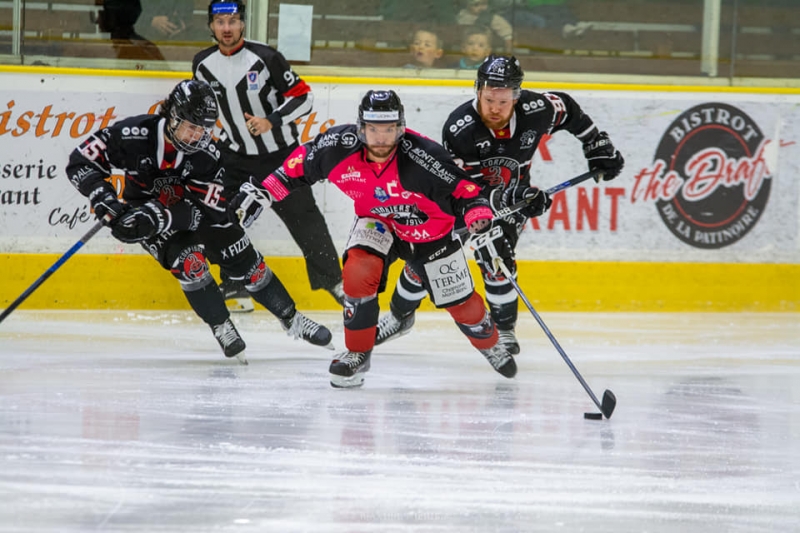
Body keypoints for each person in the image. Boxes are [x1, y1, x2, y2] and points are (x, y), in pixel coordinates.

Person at [227, 90, 522, 388]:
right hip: (378, 220)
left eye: (389, 129)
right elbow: (300, 164)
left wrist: (477, 212)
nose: (381, 138)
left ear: (400, 128)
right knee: (358, 271)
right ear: (361, 127)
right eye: (373, 129)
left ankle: (490, 344)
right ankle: (357, 353)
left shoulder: (423, 156)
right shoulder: (339, 146)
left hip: (429, 230)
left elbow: (466, 191)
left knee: (463, 305)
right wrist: (263, 193)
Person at [65, 79, 333, 365]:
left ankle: (291, 318)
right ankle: (221, 324)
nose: (197, 136)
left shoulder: (208, 154)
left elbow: (210, 209)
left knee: (246, 262)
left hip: (193, 211)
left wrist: (165, 215)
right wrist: (103, 199)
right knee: (190, 263)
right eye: (191, 127)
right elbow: (80, 161)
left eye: (204, 128)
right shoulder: (132, 135)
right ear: (172, 116)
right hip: (145, 213)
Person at [375, 55, 625, 354]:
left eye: (503, 102)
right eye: (489, 99)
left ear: (516, 97)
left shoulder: (537, 110)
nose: (494, 108)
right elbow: (465, 189)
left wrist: (595, 144)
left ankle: (504, 330)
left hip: (512, 198)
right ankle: (400, 316)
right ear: (478, 89)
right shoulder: (460, 129)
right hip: (462, 202)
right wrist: (517, 198)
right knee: (426, 262)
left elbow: (568, 109)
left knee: (497, 260)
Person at [193, 0, 344, 312]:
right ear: (210, 26)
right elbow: (203, 108)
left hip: (280, 159)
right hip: (233, 158)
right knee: (221, 220)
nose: (226, 28)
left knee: (306, 221)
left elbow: (304, 97)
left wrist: (270, 121)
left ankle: (335, 283)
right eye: (220, 22)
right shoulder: (201, 64)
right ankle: (236, 283)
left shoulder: (266, 57)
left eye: (233, 21)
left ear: (243, 24)